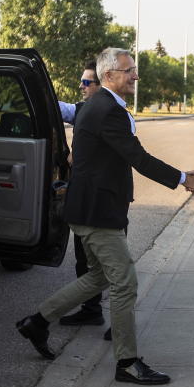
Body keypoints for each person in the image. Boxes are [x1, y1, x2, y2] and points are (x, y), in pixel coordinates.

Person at [16, 48, 194, 385]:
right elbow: (138, 157)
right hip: (98, 214)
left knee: (99, 277)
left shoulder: (99, 106)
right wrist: (182, 179)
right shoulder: (106, 110)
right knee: (125, 282)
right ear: (109, 76)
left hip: (92, 209)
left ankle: (38, 321)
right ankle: (127, 362)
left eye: (133, 69)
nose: (135, 75)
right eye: (128, 70)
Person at [56, 61, 106, 327]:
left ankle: (121, 323)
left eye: (86, 83)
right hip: (82, 196)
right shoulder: (82, 110)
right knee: (82, 258)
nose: (81, 86)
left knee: (108, 264)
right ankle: (91, 309)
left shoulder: (116, 115)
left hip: (102, 201)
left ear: (101, 85)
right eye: (82, 82)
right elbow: (60, 108)